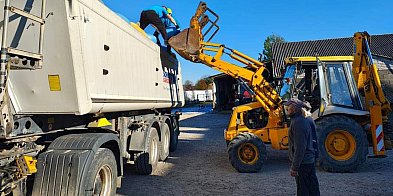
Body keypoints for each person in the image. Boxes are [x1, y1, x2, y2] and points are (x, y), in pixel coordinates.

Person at [284, 98, 320, 196]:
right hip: (310, 159)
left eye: (289, 107)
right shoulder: (308, 119)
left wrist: (294, 167)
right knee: (312, 187)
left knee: (303, 189)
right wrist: (316, 156)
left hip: (303, 163)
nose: (287, 109)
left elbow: (300, 147)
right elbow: (315, 140)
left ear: (295, 109)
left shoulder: (298, 122)